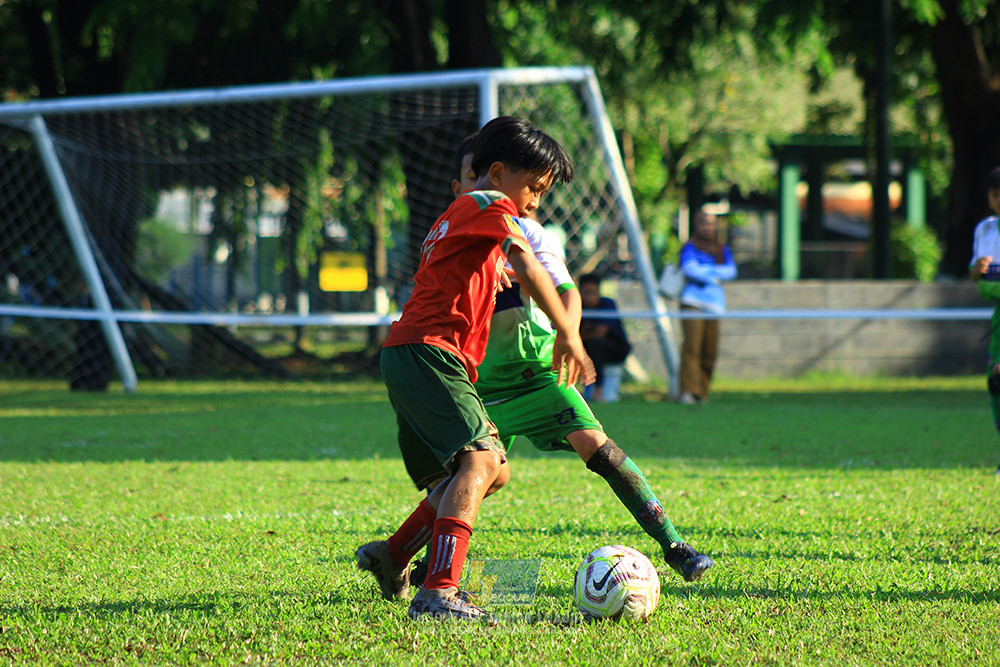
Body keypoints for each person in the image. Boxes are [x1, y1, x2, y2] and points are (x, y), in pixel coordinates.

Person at [403, 134, 714, 592]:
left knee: (597, 445)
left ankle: (675, 547)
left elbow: (564, 289)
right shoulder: (452, 235)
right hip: (480, 384)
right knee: (472, 482)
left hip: (538, 376)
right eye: (469, 177)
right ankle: (419, 564)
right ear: (459, 185)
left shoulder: (525, 231)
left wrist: (569, 335)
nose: (479, 188)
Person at [354, 116, 594, 622]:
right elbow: (526, 265)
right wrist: (569, 332)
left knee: (493, 471)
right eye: (534, 187)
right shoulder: (489, 203)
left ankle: (394, 553)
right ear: (501, 172)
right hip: (429, 351)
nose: (534, 202)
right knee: (481, 462)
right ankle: (439, 591)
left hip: (421, 354)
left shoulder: (456, 216)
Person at [677, 210, 737, 405]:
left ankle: (702, 391)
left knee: (709, 351)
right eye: (703, 224)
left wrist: (706, 271)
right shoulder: (690, 247)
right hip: (692, 303)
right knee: (692, 347)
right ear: (697, 226)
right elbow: (689, 269)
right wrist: (715, 275)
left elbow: (731, 271)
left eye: (710, 224)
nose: (707, 228)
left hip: (714, 305)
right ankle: (688, 391)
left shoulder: (721, 248)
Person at [968, 166, 1000, 474]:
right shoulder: (986, 230)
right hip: (997, 314)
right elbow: (976, 276)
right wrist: (980, 270)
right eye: (995, 194)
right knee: (995, 382)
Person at [578, 273, 632, 403]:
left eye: (593, 293)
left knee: (594, 345)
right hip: (587, 349)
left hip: (616, 349)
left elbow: (600, 333)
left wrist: (580, 336)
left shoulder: (607, 304)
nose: (590, 297)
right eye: (586, 293)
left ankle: (598, 391)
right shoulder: (576, 305)